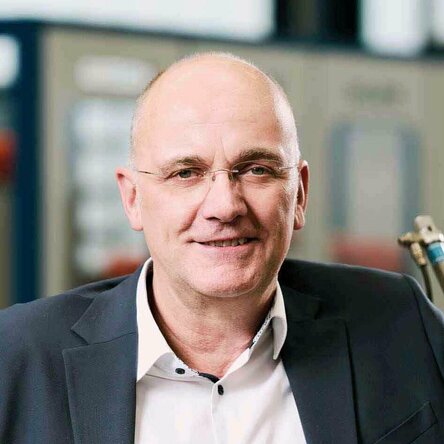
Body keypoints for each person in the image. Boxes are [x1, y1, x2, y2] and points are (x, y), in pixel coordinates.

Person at [1, 52, 444, 444]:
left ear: (299, 194)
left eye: (255, 169)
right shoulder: (16, 358)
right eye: (186, 173)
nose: (225, 206)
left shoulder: (399, 322)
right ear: (132, 199)